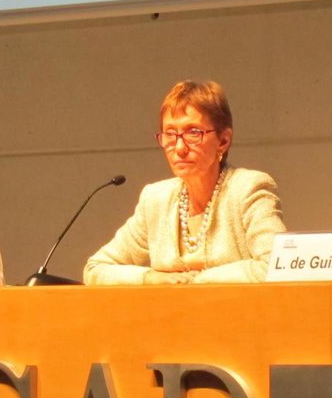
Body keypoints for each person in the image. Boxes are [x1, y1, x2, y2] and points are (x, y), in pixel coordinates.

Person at [84, 80, 284, 285]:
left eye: (193, 133)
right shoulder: (156, 200)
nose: (179, 148)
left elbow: (278, 266)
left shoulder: (248, 189)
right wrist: (151, 278)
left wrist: (198, 281)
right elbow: (96, 268)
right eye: (170, 134)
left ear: (223, 141)